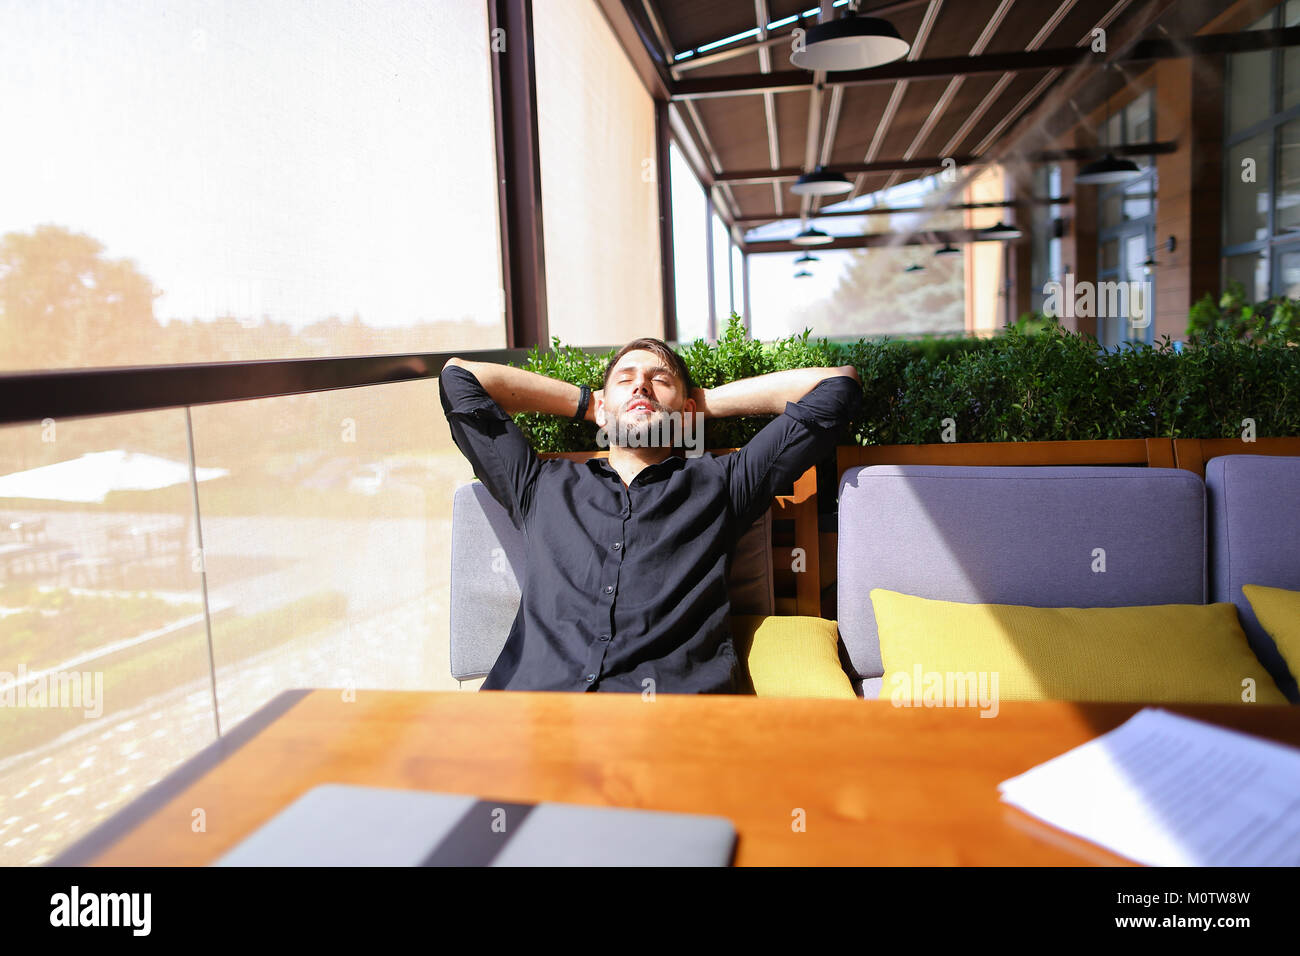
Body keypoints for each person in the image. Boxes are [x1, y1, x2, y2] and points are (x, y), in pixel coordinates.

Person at [438, 336, 862, 694]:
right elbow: (459, 378)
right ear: (604, 410)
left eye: (660, 380)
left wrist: (703, 404)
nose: (641, 385)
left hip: (666, 729)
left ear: (688, 412)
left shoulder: (723, 484)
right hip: (529, 718)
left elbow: (836, 386)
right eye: (626, 379)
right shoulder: (538, 484)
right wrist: (589, 403)